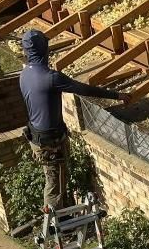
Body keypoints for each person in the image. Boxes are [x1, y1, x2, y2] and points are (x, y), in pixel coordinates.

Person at [18, 29, 129, 211]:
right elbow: (83, 89)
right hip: (51, 143)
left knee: (54, 180)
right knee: (55, 186)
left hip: (37, 138)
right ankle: (54, 230)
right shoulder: (51, 77)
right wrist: (117, 95)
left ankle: (58, 218)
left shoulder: (25, 75)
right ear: (44, 50)